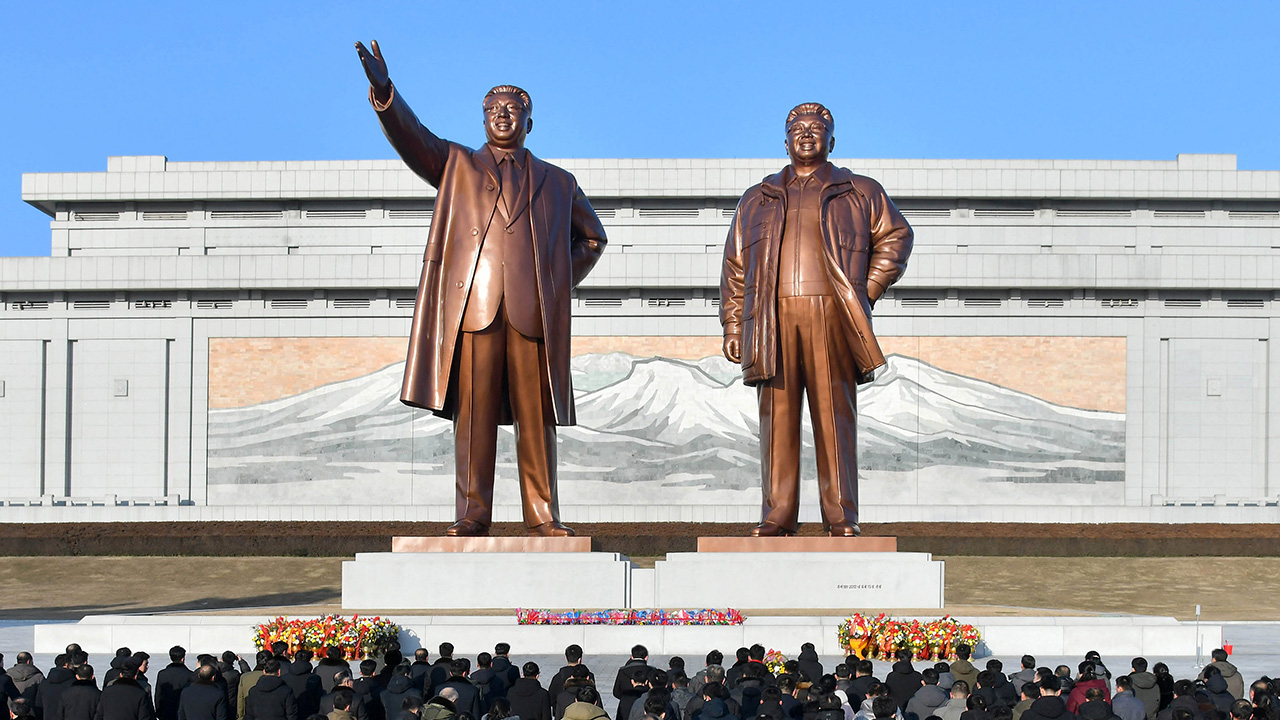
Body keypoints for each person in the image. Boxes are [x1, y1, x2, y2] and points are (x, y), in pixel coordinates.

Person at [354, 39, 608, 538]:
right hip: (475, 309)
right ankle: (473, 513)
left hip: (532, 315)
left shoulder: (558, 183)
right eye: (493, 110)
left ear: (530, 121)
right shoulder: (457, 165)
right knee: (473, 417)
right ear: (483, 119)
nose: (502, 116)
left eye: (513, 109)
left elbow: (593, 239)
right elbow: (413, 138)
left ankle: (543, 515)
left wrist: (553, 280)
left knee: (537, 418)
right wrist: (385, 92)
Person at [719, 101, 912, 537]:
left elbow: (897, 236)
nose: (807, 134)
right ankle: (777, 513)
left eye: (816, 128)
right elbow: (734, 267)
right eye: (798, 128)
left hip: (832, 315)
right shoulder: (757, 198)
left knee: (834, 415)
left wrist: (865, 291)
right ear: (785, 141)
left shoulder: (859, 191)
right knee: (776, 419)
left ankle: (841, 513)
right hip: (771, 318)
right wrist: (733, 325)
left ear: (832, 140)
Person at [157, 647, 195, 720]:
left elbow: (158, 694)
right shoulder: (190, 675)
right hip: (183, 713)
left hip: (166, 712)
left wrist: (159, 711)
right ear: (182, 659)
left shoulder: (162, 674)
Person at [613, 649, 652, 720]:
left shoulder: (623, 671)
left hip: (626, 705)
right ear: (646, 657)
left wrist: (624, 698)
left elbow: (616, 692)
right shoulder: (651, 670)